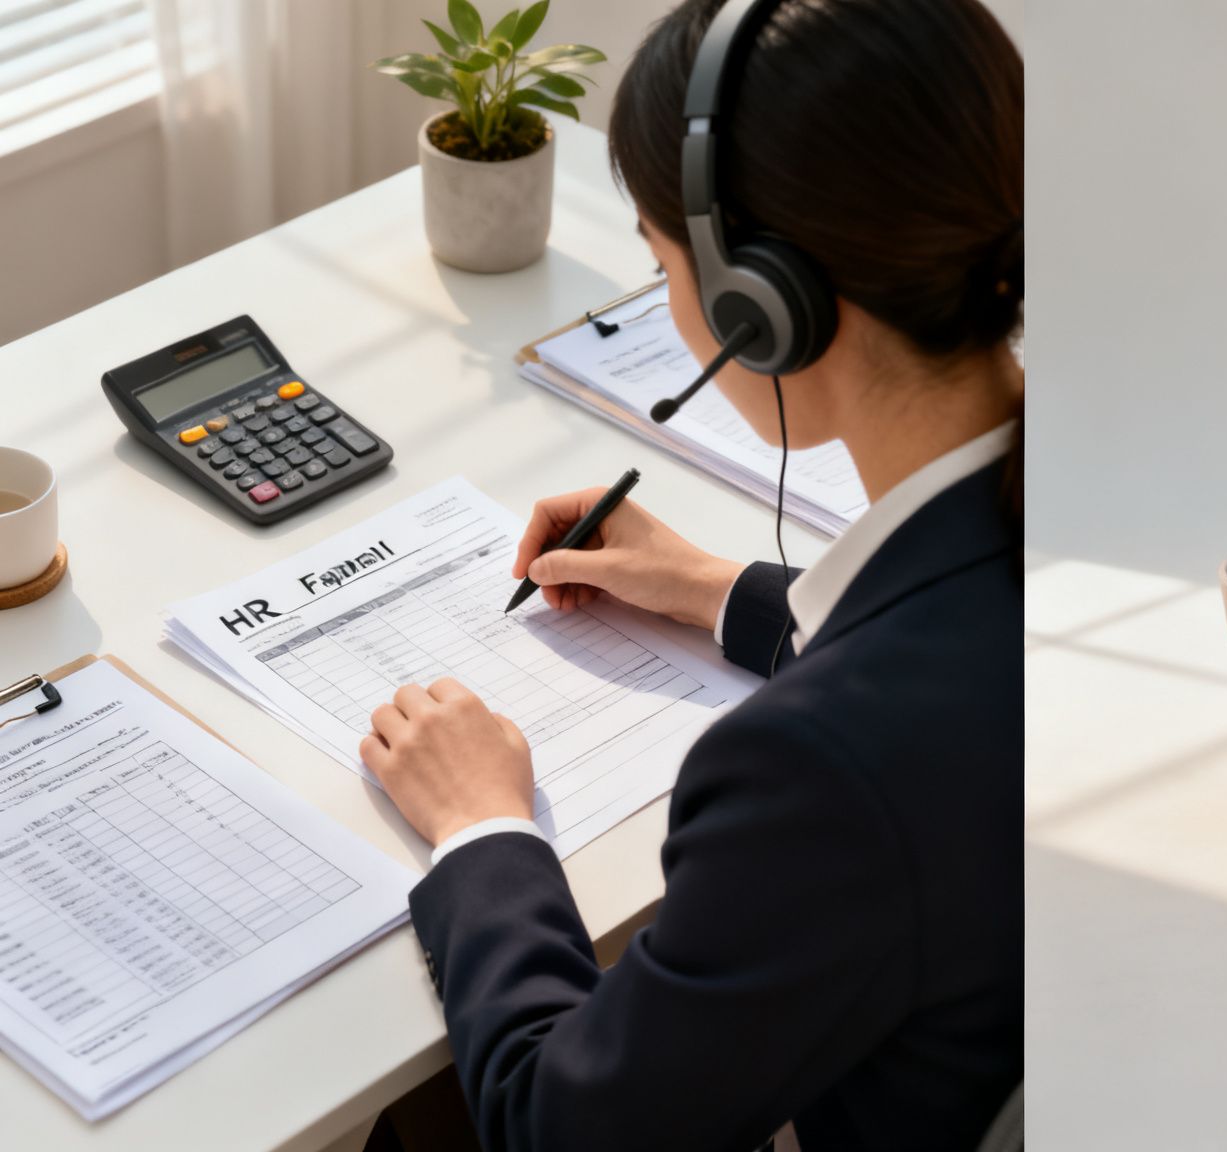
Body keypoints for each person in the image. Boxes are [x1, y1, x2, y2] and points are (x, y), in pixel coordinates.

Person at [354, 0, 1024, 1147]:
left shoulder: (816, 771)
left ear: (758, 306)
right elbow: (948, 655)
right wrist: (717, 589)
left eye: (664, 263)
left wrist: (482, 828)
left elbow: (559, 1126)